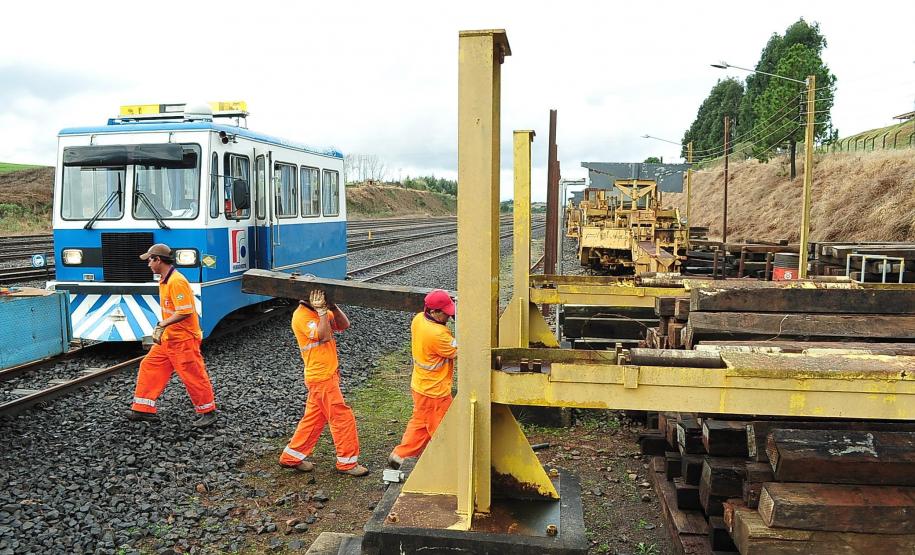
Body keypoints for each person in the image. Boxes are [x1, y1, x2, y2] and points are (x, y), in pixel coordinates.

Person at [278, 290, 369, 477]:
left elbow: (344, 325)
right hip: (321, 377)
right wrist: (321, 312)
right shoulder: (302, 316)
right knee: (342, 417)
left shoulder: (318, 311)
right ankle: (347, 463)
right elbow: (324, 335)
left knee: (314, 418)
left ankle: (291, 457)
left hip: (325, 375)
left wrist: (333, 307)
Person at [127, 243, 217, 428]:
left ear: (158, 260)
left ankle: (208, 411)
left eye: (150, 260)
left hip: (183, 339)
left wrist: (162, 324)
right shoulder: (165, 279)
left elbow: (185, 311)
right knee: (149, 365)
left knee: (193, 375)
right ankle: (142, 409)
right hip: (169, 338)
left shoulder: (177, 281)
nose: (148, 264)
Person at [388, 289, 457, 469]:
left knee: (420, 422)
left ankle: (399, 456)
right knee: (443, 430)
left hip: (420, 385)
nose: (449, 317)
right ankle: (448, 465)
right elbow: (462, 350)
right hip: (436, 391)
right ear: (434, 312)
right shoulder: (438, 335)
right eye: (446, 313)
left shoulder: (419, 318)